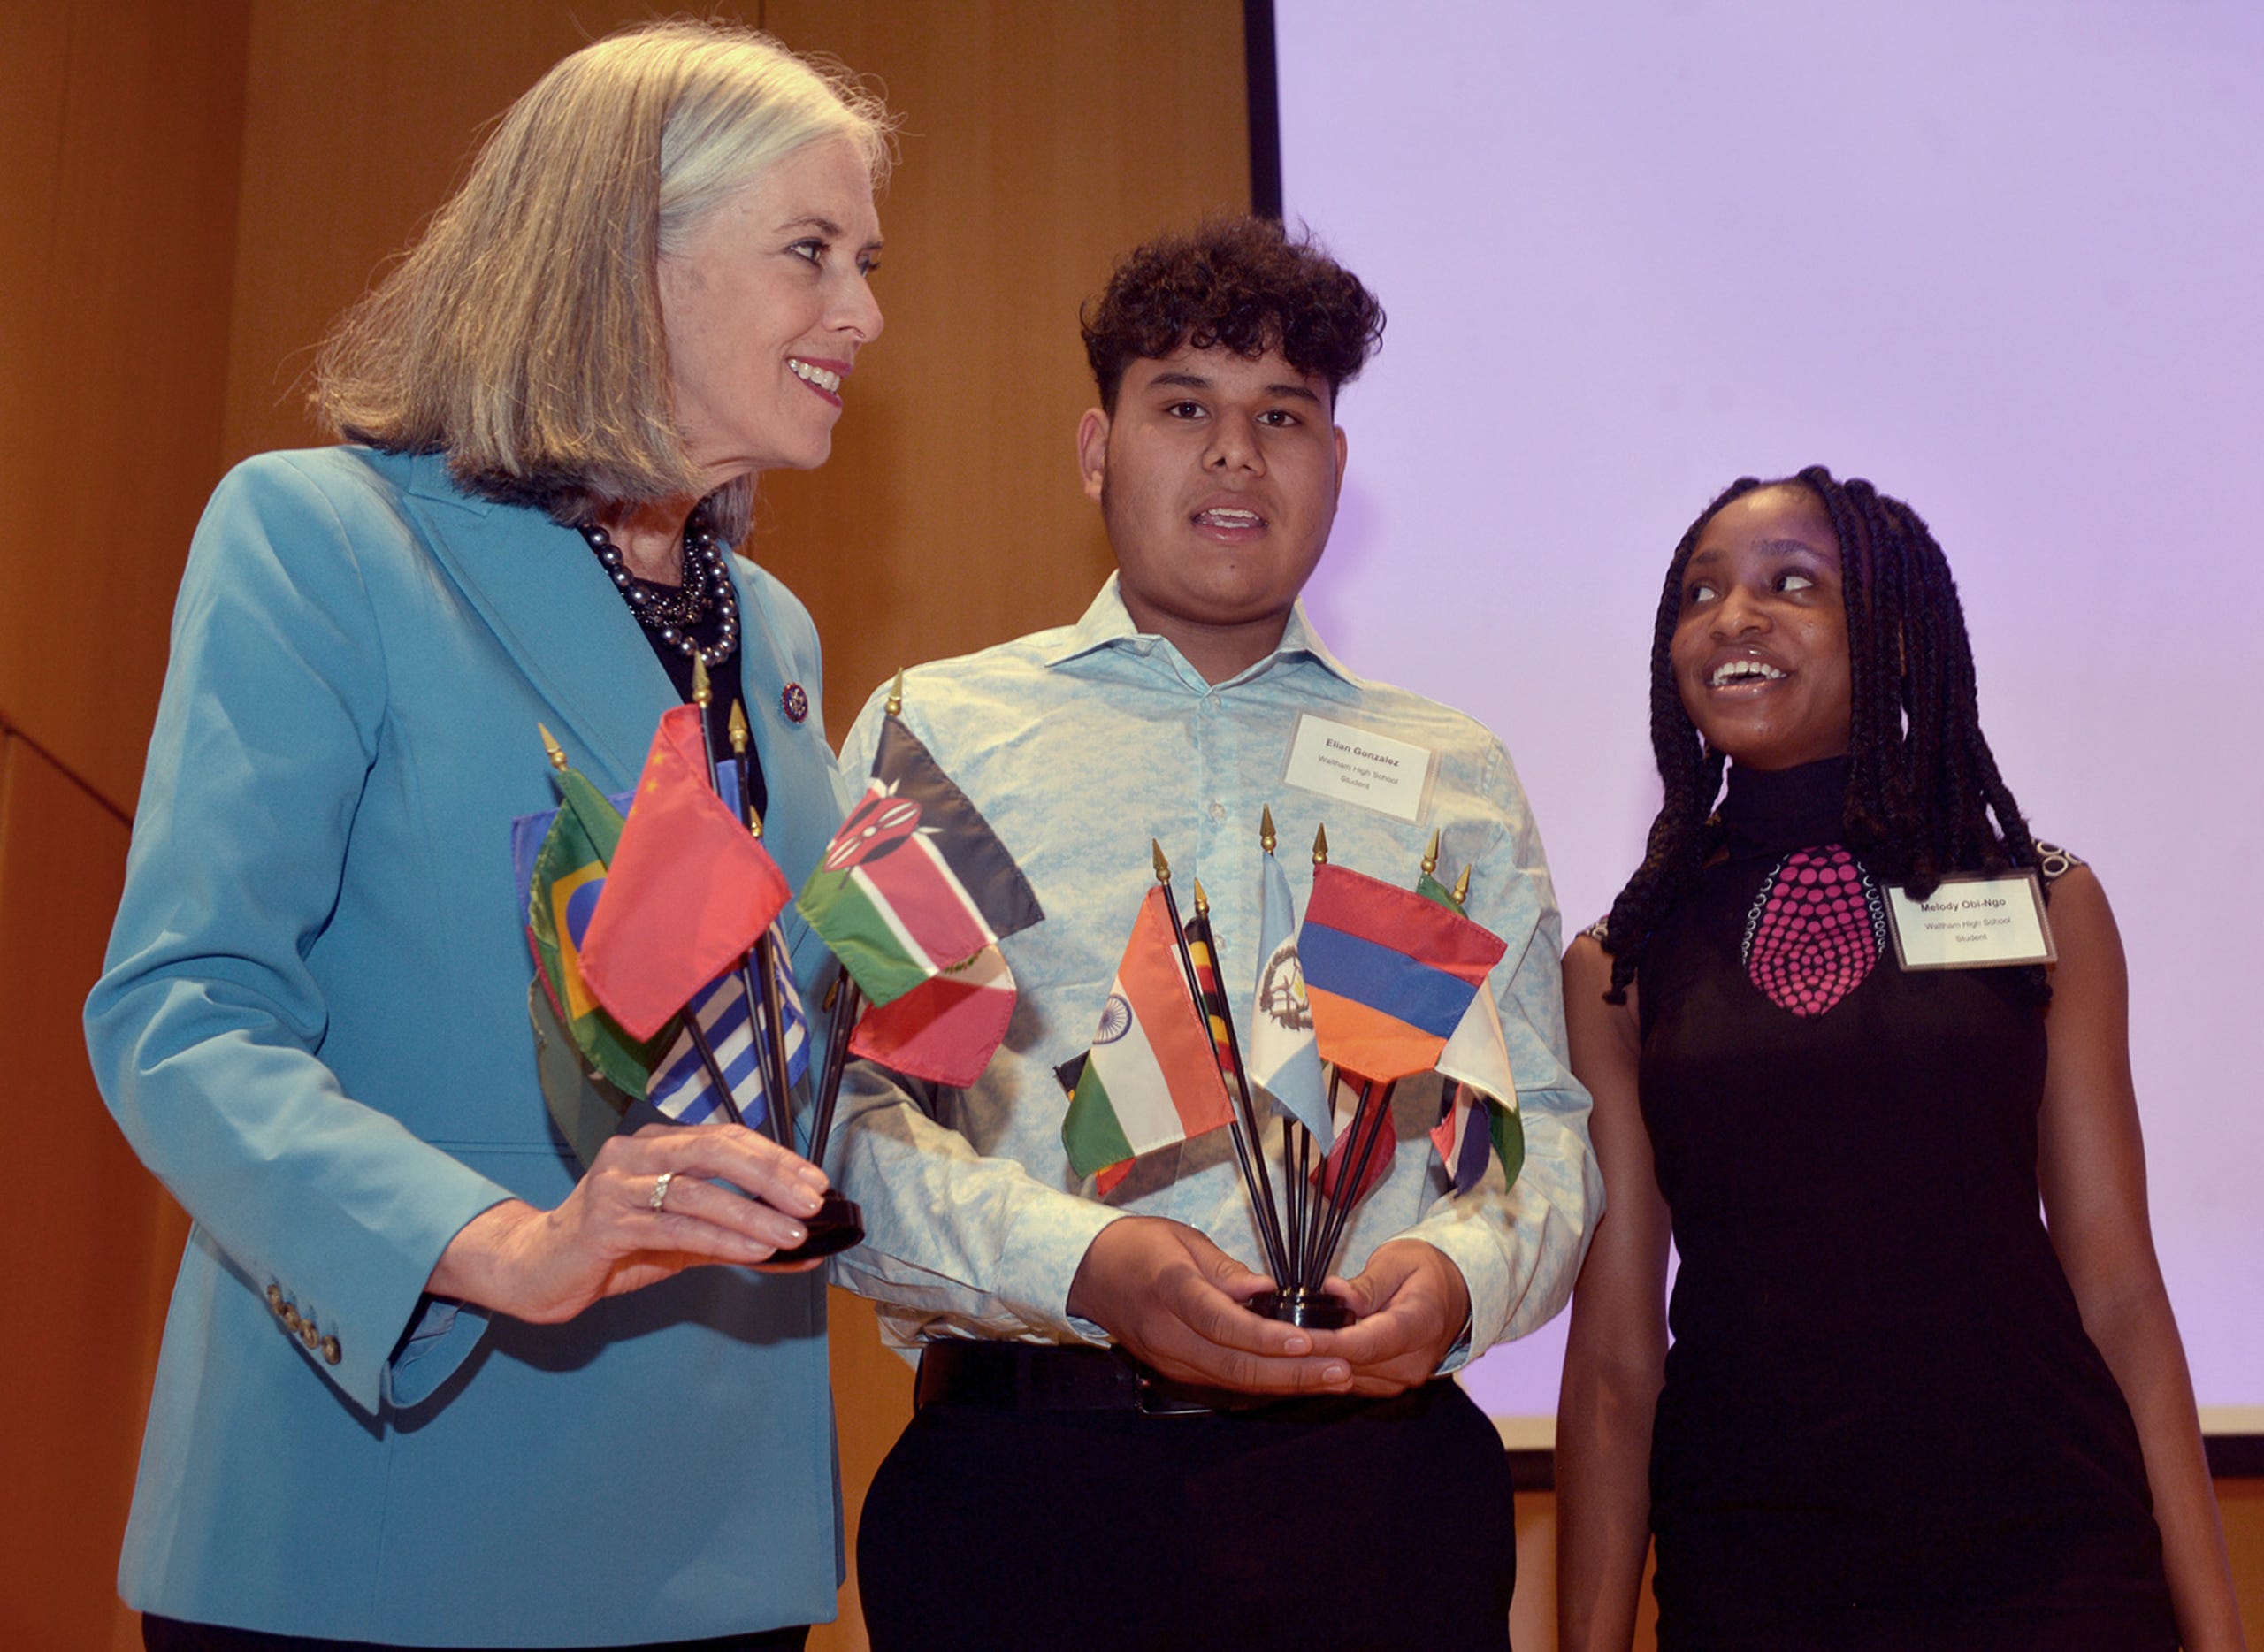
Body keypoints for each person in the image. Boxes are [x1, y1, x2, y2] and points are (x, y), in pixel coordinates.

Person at [84, 22, 890, 1649]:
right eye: (810, 253)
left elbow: (749, 1047)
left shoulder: (778, 636)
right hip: (380, 1528)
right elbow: (182, 1019)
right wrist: (498, 1244)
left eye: (866, 261)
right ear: (624, 262)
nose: (864, 316)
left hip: (719, 1548)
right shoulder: (322, 537)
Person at [825, 217, 1602, 1652]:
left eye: (1283, 416)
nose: (1236, 452)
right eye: (1184, 406)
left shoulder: (1450, 773)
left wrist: (1457, 1279)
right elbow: (854, 1122)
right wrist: (1086, 1262)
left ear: (1335, 470)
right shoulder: (939, 734)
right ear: (1096, 449)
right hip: (1029, 1498)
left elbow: (1537, 1130)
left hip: (1380, 1497)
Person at [1554, 469, 2246, 1650]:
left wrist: (2220, 1633)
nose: (1733, 617)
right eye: (1701, 591)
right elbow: (1617, 1363)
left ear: (1899, 640)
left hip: (2052, 1558)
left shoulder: (2047, 901)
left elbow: (2120, 1291)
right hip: (1757, 1571)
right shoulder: (1620, 961)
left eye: (1792, 585)